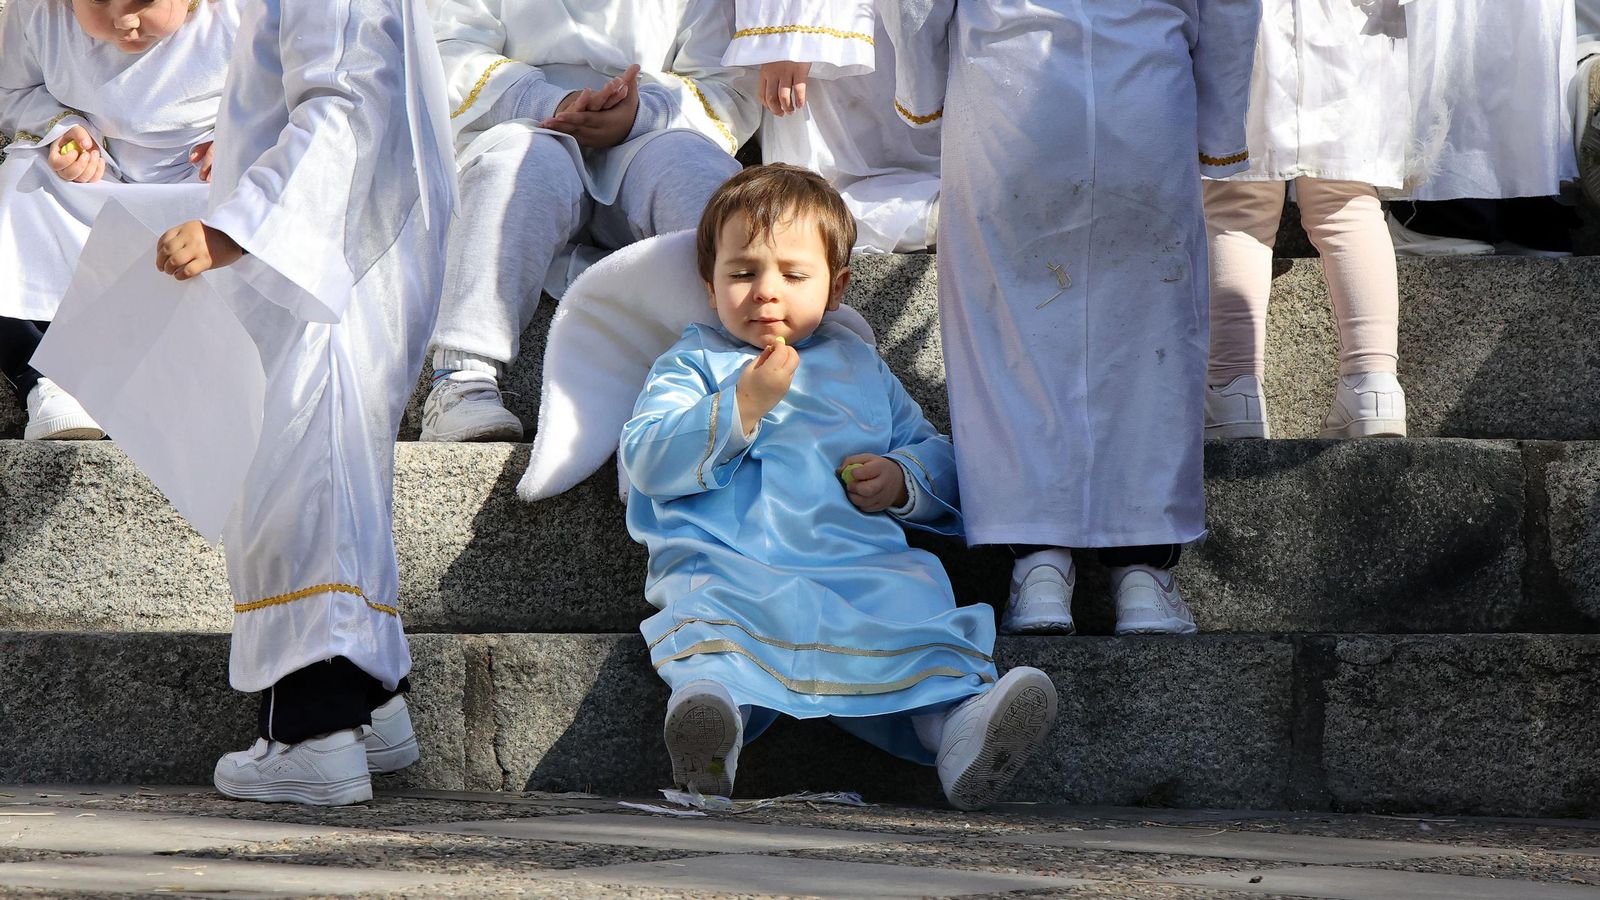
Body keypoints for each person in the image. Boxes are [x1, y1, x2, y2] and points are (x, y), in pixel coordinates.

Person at [621, 164, 1057, 810]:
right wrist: (740, 405)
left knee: (914, 608)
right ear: (709, 287)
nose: (766, 293)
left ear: (838, 286)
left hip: (857, 566)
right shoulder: (693, 363)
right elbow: (645, 457)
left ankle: (959, 732)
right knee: (715, 630)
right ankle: (712, 731)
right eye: (743, 273)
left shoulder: (861, 367)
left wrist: (903, 480)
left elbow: (936, 451)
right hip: (734, 563)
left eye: (794, 276)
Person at [151, 0, 457, 804]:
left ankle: (311, 731)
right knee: (339, 478)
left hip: (320, 269)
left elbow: (343, 105)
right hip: (348, 264)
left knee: (300, 483)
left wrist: (241, 228)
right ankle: (371, 707)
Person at [878, 0, 1259, 636]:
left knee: (1010, 338)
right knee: (1149, 338)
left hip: (1007, 91)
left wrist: (922, 97)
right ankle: (1143, 573)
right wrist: (1219, 132)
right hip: (1146, 88)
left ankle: (1039, 569)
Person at [419, 0, 757, 443]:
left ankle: (742, 371)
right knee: (518, 165)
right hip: (521, 123)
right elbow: (444, 47)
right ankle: (462, 377)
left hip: (654, 133)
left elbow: (726, 82)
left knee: (695, 175)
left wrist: (639, 116)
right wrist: (552, 101)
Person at [0, 0, 237, 440]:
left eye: (143, 2)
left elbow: (287, 93)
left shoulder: (249, 13)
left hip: (203, 173)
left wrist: (239, 137)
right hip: (93, 165)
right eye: (97, 2)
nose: (124, 20)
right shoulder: (36, 12)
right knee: (19, 185)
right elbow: (13, 90)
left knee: (253, 207)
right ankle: (51, 378)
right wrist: (62, 127)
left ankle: (198, 380)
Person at [1204, 0, 1410, 441]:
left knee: (1237, 205)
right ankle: (1374, 383)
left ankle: (1233, 388)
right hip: (1351, 22)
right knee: (1348, 201)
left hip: (1245, 21)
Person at [725, 0, 940, 252]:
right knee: (816, 185)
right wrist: (789, 32)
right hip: (820, 34)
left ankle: (942, 210)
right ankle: (933, 217)